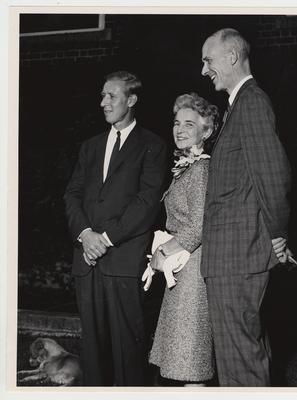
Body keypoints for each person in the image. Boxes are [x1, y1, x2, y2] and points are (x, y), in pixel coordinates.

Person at [200, 28, 295, 386]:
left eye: (208, 60)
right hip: (233, 258)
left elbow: (273, 175)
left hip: (238, 257)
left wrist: (278, 236)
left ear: (231, 57)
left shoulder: (252, 102)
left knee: (241, 366)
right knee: (243, 358)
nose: (204, 70)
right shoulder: (238, 106)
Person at [64, 70, 168, 386]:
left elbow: (146, 202)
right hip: (87, 261)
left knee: (127, 352)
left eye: (112, 96)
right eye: (102, 95)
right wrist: (85, 235)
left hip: (123, 261)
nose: (103, 102)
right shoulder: (90, 147)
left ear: (131, 99)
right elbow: (72, 194)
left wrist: (105, 238)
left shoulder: (153, 145)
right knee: (93, 352)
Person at [146, 93, 219, 386]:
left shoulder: (201, 168)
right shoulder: (188, 166)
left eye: (189, 124)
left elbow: (199, 226)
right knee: (184, 358)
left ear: (207, 130)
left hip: (193, 271)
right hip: (183, 269)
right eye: (177, 123)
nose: (180, 130)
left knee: (190, 359)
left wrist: (163, 250)